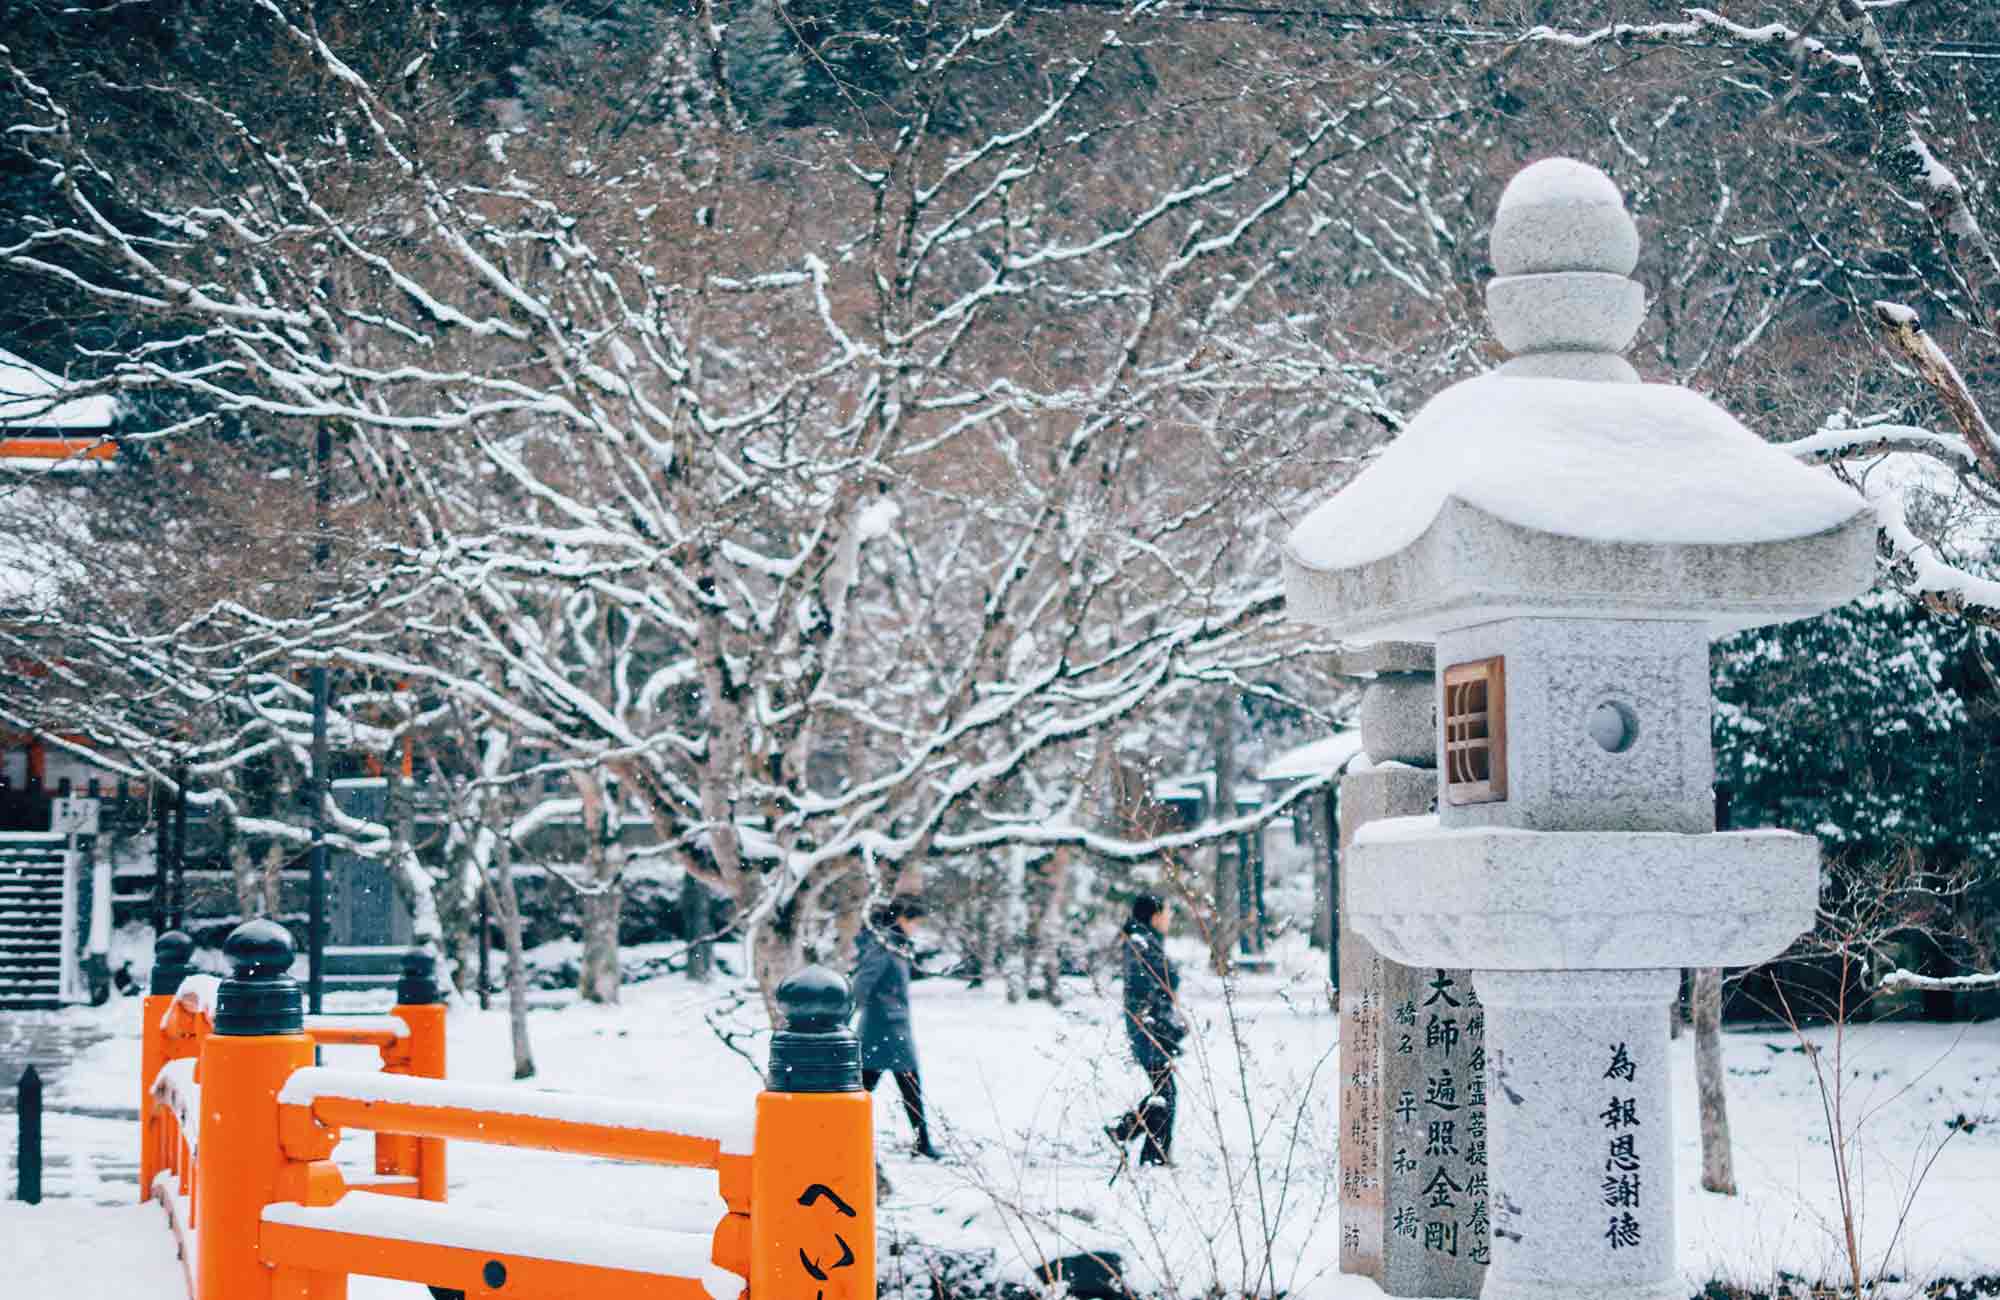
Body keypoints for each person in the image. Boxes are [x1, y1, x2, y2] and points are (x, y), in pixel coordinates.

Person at [851, 896, 938, 1158]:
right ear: (901, 919)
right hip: (883, 1029)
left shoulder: (895, 946)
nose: (917, 928)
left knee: (878, 1088)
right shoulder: (884, 948)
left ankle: (922, 1144)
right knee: (881, 1088)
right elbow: (860, 987)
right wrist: (839, 1020)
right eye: (915, 922)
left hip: (891, 1029)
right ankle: (922, 1144)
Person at [1107, 893, 1184, 1167]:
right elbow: (1145, 983)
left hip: (1152, 1027)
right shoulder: (1141, 943)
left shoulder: (1145, 941)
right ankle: (1153, 1156)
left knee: (1164, 1092)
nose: (1169, 919)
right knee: (1166, 1094)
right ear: (1154, 915)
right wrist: (1152, 1017)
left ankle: (1125, 1133)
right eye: (1166, 913)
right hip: (1148, 1029)